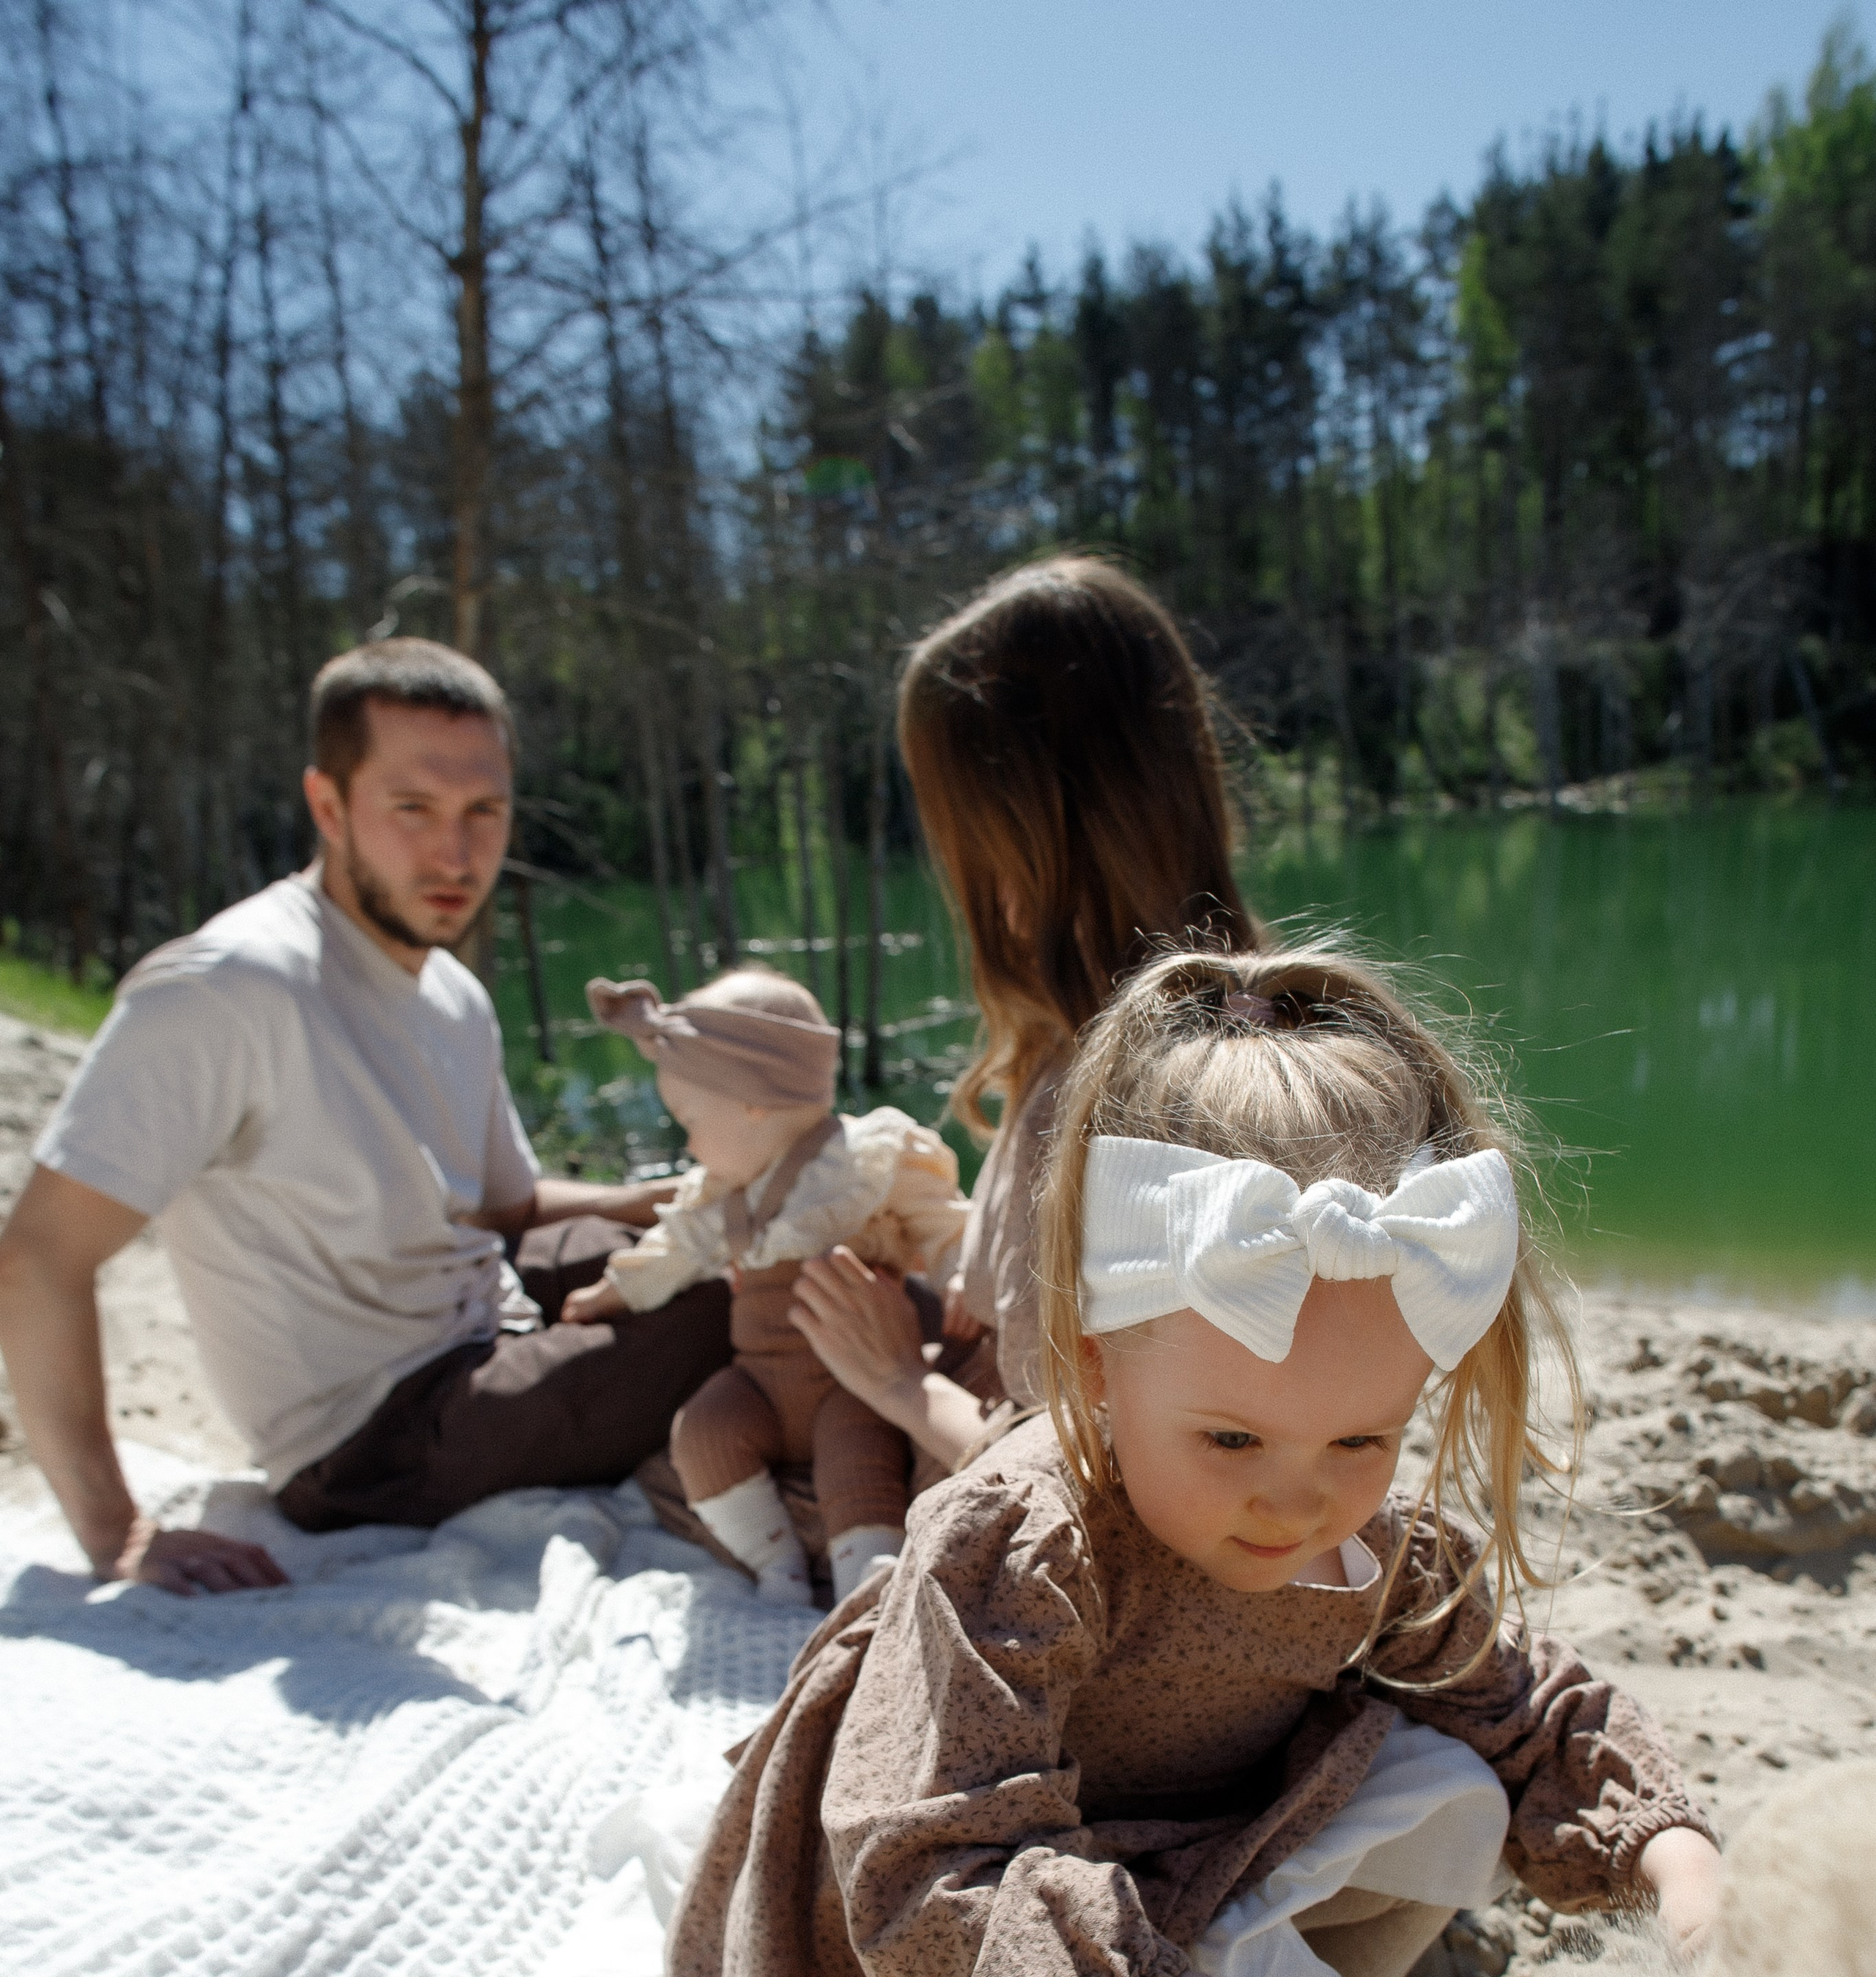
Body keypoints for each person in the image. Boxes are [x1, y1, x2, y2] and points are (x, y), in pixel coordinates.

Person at [657, 942, 1722, 1977]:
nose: (1294, 1498)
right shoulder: (1022, 1550)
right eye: (1230, 1439)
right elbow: (933, 1895)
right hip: (922, 1945)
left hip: (1157, 1863)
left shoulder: (1364, 1551)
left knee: (1448, 1775)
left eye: (1362, 1438)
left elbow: (1514, 1696)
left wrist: (1677, 1869)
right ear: (1095, 1360)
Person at [0, 640, 731, 1594]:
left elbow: (508, 1212)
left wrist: (684, 1195)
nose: (457, 853)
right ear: (329, 806)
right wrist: (118, 1534)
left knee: (738, 1237)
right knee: (742, 1298)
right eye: (414, 809)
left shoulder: (453, 994)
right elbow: (39, 1257)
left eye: (485, 811)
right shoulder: (225, 989)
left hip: (489, 1314)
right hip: (371, 1439)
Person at [786, 551, 1264, 1477]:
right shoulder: (1242, 1018)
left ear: (1018, 840)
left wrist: (897, 1382)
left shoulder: (1096, 1099)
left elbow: (1086, 1477)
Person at [566, 967, 969, 1606]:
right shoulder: (720, 1194)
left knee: (857, 1461)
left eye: (690, 1118)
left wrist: (963, 1279)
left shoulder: (860, 1162)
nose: (688, 1141)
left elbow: (942, 1218)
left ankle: (863, 1583)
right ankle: (772, 1562)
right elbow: (669, 1255)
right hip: (760, 1381)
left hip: (851, 1378)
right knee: (702, 1431)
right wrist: (608, 1293)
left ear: (751, 1103)